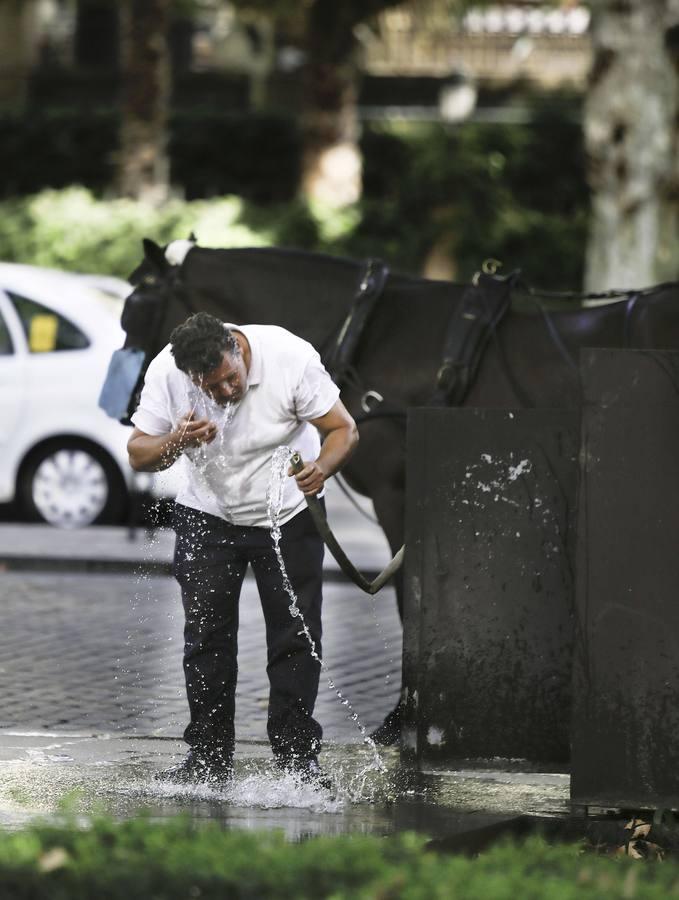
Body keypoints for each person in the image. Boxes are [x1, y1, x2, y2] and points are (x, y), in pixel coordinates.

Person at [127, 312, 358, 786]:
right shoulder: (166, 372)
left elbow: (344, 430)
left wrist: (322, 468)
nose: (226, 392)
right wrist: (177, 440)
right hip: (207, 514)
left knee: (296, 636)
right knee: (207, 638)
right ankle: (208, 758)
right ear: (192, 377)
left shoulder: (288, 357)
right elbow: (138, 453)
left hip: (288, 513)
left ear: (237, 348)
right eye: (212, 388)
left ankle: (298, 761)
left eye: (231, 379)